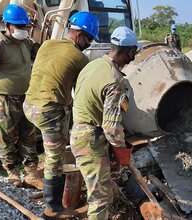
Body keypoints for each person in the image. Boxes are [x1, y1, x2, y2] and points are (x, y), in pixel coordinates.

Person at [23, 11, 99, 219]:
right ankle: (53, 208)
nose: (89, 44)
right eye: (89, 39)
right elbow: (84, 93)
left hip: (29, 104)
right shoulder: (79, 58)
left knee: (53, 140)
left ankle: (33, 174)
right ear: (79, 35)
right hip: (47, 111)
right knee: (54, 159)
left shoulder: (47, 44)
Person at [70, 26, 141, 219]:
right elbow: (111, 127)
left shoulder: (93, 65)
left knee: (106, 188)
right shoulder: (114, 80)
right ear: (130, 51)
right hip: (91, 140)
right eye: (134, 53)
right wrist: (121, 150)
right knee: (100, 198)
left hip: (81, 131)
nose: (133, 58)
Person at [0, 4, 42, 189]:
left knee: (29, 134)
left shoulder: (26, 43)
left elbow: (42, 53)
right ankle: (13, 173)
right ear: (8, 25)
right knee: (6, 137)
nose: (22, 30)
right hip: (4, 100)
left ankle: (31, 173)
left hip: (25, 97)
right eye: (19, 26)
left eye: (25, 27)